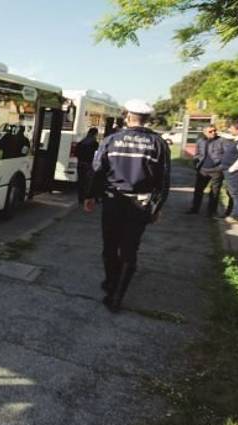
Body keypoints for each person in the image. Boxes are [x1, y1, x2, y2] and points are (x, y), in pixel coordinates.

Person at [84, 99, 170, 313]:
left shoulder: (112, 140)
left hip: (113, 201)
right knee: (130, 250)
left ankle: (111, 284)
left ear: (128, 116)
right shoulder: (159, 143)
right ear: (147, 119)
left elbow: (97, 170)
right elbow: (164, 180)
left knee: (110, 247)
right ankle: (117, 297)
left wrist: (90, 196)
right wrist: (157, 208)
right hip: (140, 205)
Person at [186, 125, 224, 216]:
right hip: (203, 169)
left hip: (216, 169)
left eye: (214, 130)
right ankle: (195, 209)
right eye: (210, 131)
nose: (213, 133)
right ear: (204, 132)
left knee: (214, 191)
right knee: (198, 190)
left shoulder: (221, 141)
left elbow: (226, 154)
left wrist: (221, 164)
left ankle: (211, 211)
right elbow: (197, 154)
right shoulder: (201, 141)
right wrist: (196, 164)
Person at [222, 119, 238, 223]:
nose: (230, 129)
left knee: (236, 194)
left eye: (232, 128)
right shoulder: (236, 139)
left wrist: (231, 169)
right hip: (230, 171)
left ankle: (236, 215)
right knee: (233, 193)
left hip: (234, 172)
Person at [76, 128, 99, 204]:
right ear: (95, 134)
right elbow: (97, 155)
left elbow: (76, 153)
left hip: (80, 163)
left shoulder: (82, 142)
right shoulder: (94, 143)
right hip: (89, 164)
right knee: (88, 183)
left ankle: (80, 198)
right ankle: (86, 198)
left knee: (81, 181)